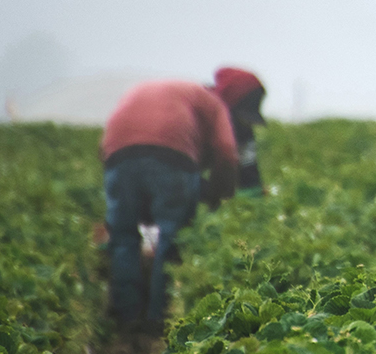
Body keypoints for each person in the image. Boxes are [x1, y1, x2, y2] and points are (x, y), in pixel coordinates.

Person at [99, 78, 239, 334]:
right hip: (173, 154)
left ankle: (126, 318)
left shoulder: (140, 89)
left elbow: (106, 147)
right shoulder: (214, 103)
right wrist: (220, 196)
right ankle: (159, 319)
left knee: (123, 237)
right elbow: (227, 153)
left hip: (117, 153)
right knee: (172, 236)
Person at [210, 67, 267, 195]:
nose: (244, 123)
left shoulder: (243, 130)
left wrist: (254, 193)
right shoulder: (203, 114)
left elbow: (248, 167)